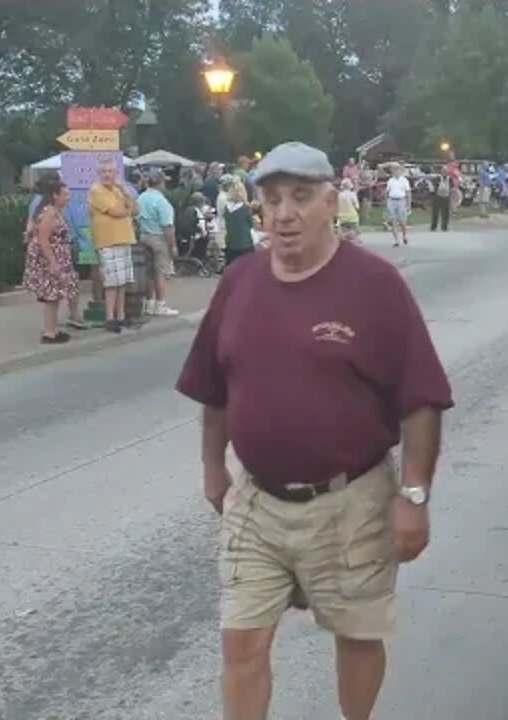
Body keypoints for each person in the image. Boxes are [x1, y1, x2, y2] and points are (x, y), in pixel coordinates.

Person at [176, 141, 452, 720]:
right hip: (256, 501)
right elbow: (215, 386)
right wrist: (211, 470)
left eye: (300, 197)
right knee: (242, 641)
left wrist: (415, 494)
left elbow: (422, 399)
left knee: (356, 634)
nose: (284, 213)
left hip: (351, 501)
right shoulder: (240, 281)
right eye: (272, 199)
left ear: (332, 201)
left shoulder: (374, 284)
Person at [23, 179, 79, 344]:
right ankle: (49, 333)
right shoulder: (49, 213)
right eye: (65, 194)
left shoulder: (54, 211)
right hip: (48, 259)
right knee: (50, 296)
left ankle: (53, 330)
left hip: (56, 256)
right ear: (55, 195)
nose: (68, 197)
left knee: (55, 296)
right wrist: (53, 262)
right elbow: (43, 239)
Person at [88, 159, 138, 334]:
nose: (108, 175)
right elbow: (116, 212)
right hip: (107, 241)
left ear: (116, 173)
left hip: (123, 239)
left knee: (122, 281)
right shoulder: (96, 190)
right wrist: (127, 210)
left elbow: (135, 208)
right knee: (111, 282)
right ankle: (110, 318)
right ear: (99, 173)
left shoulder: (119, 190)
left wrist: (125, 192)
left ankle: (121, 316)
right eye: (104, 171)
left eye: (111, 171)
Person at [137, 171, 180, 317]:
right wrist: (173, 245)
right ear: (161, 183)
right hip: (158, 238)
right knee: (159, 272)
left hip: (143, 236)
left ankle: (149, 303)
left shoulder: (140, 198)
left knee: (148, 273)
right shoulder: (162, 202)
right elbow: (167, 226)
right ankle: (160, 304)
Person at [222, 178, 255, 267]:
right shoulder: (246, 207)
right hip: (245, 243)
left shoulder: (226, 208)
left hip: (231, 242)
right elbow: (251, 224)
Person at [384, 163, 411, 247]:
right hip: (392, 200)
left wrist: (408, 203)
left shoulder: (404, 180)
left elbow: (408, 192)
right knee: (393, 221)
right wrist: (387, 202)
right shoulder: (390, 181)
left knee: (402, 220)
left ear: (400, 171)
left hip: (401, 201)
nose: (396, 172)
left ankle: (404, 235)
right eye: (394, 170)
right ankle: (396, 240)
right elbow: (387, 192)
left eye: (397, 170)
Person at [337, 178, 361, 243]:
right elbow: (357, 206)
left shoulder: (339, 195)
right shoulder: (352, 194)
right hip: (352, 217)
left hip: (341, 217)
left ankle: (344, 236)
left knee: (343, 231)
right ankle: (354, 238)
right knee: (354, 231)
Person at [428, 167, 452, 232]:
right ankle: (433, 226)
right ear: (441, 172)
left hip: (446, 196)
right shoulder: (437, 178)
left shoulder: (449, 179)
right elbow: (433, 186)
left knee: (446, 213)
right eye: (443, 171)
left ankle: (444, 226)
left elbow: (451, 187)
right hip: (438, 196)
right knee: (435, 212)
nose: (444, 172)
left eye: (445, 171)